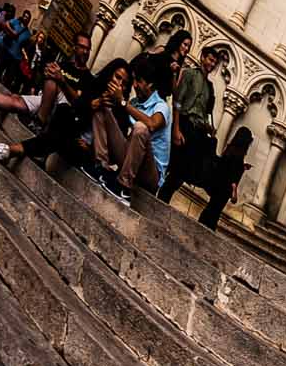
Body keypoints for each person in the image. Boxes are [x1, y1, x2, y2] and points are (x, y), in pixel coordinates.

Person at [0, 61, 125, 171]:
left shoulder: (119, 110)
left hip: (84, 153)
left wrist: (90, 149)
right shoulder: (94, 91)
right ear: (109, 75)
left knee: (62, 131)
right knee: (64, 112)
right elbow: (77, 110)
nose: (119, 84)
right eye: (117, 77)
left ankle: (12, 150)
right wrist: (92, 105)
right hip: (67, 135)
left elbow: (114, 152)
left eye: (124, 83)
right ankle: (15, 150)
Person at [90, 58, 171, 203]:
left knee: (141, 128)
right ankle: (100, 168)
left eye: (138, 81)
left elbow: (152, 124)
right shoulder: (134, 104)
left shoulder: (162, 106)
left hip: (150, 175)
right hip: (130, 161)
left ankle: (123, 188)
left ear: (150, 85)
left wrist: (122, 102)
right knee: (103, 109)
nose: (134, 85)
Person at [159, 45, 219, 201]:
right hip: (184, 125)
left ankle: (163, 200)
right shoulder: (189, 74)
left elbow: (204, 112)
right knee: (172, 165)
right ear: (203, 58)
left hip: (198, 133)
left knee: (183, 172)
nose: (212, 65)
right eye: (210, 60)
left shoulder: (210, 87)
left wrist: (209, 128)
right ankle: (157, 195)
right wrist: (176, 129)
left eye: (214, 63)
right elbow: (178, 102)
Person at [198, 127, 252, 230]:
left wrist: (243, 167)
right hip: (225, 189)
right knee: (214, 213)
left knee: (211, 209)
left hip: (218, 184)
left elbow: (225, 166)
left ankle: (201, 226)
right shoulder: (239, 156)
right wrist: (234, 193)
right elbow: (233, 177)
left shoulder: (229, 149)